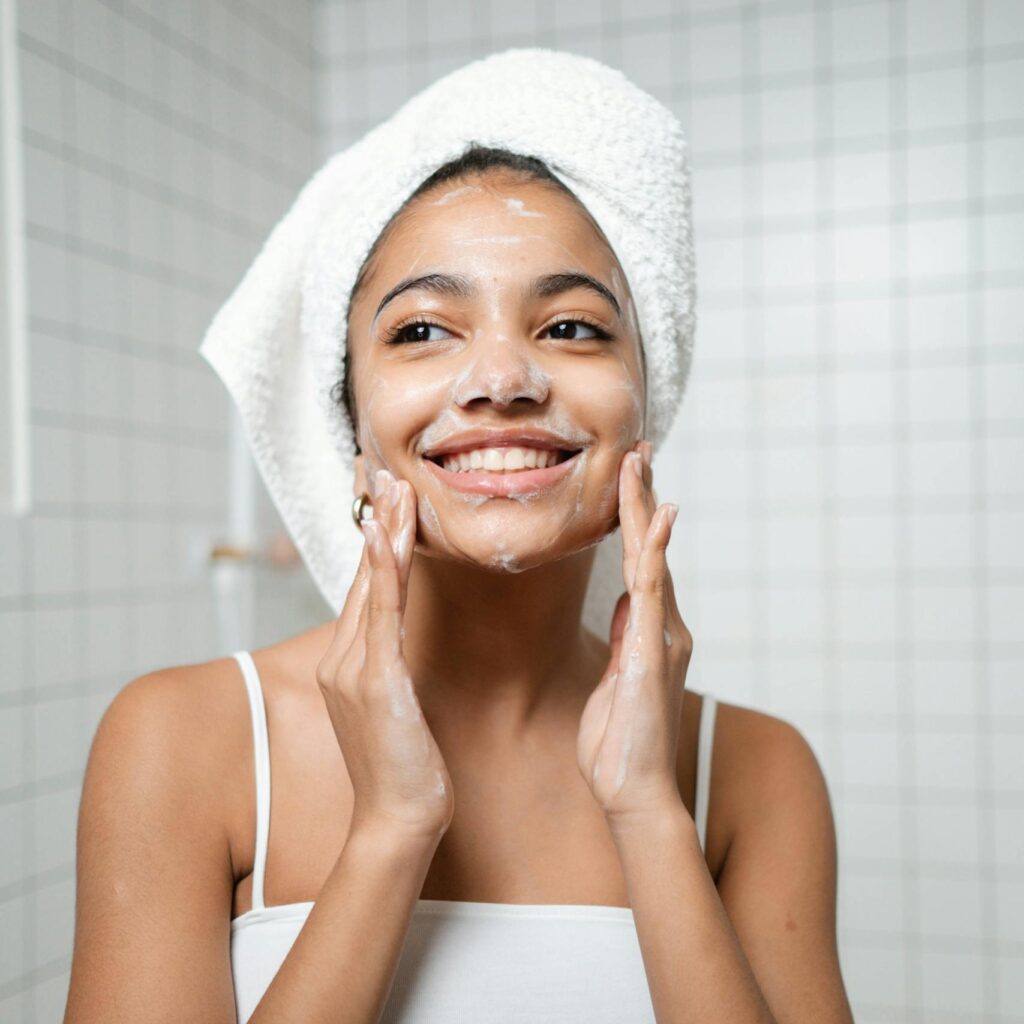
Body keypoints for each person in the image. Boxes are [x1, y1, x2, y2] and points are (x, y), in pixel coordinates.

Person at [64, 52, 854, 1024]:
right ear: (349, 424)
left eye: (570, 327)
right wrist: (390, 832)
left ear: (645, 408)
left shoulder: (755, 773)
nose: (503, 378)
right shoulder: (183, 740)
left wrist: (649, 810)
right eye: (423, 330)